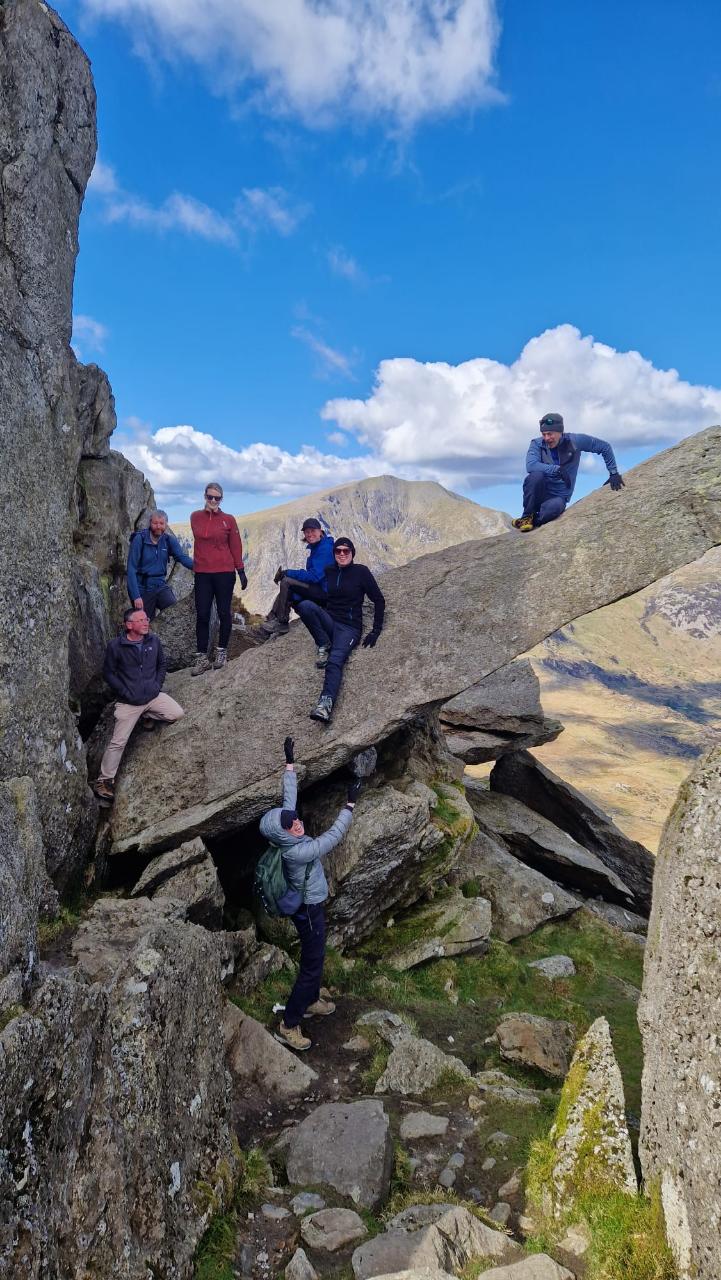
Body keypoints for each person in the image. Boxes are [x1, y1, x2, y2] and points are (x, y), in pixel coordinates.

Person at [259, 736, 360, 1051]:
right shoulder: (295, 853)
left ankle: (313, 999)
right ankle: (289, 1023)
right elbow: (331, 838)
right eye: (291, 825)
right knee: (312, 964)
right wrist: (350, 804)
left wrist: (289, 762)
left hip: (310, 906)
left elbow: (289, 798)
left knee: (315, 957)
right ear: (283, 834)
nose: (297, 824)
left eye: (295, 820)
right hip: (308, 909)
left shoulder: (285, 832)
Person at [92, 607, 184, 804]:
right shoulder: (116, 646)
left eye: (146, 618)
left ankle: (147, 715)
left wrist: (156, 686)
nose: (146, 623)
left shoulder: (154, 641)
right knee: (119, 742)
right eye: (141, 620)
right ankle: (104, 781)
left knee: (177, 713)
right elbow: (109, 673)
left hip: (152, 696)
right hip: (129, 702)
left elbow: (162, 664)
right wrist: (124, 692)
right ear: (129, 625)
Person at [295, 536, 385, 724]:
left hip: (349, 629)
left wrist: (376, 630)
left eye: (346, 551)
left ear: (352, 553)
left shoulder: (361, 572)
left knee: (335, 661)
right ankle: (324, 643)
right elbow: (323, 597)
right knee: (305, 606)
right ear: (334, 553)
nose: (342, 554)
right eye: (338, 551)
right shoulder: (329, 571)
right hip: (331, 621)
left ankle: (325, 705)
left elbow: (379, 600)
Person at [512, 412, 625, 533]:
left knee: (554, 509)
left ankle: (534, 521)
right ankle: (527, 516)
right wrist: (556, 469)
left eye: (550, 434)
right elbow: (531, 466)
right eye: (544, 434)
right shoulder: (537, 444)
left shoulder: (575, 441)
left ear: (560, 432)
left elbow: (604, 447)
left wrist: (613, 473)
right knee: (535, 476)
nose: (547, 438)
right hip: (540, 492)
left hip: (558, 497)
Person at [190, 482, 248, 675]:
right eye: (210, 497)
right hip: (203, 573)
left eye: (217, 497)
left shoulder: (228, 520)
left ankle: (221, 653)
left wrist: (240, 571)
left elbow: (236, 546)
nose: (213, 500)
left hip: (224, 572)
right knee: (203, 615)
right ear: (204, 496)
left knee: (224, 613)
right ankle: (201, 658)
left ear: (221, 499)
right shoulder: (195, 517)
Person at [258, 517, 335, 638]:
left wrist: (288, 572)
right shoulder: (318, 548)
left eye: (313, 531)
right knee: (287, 589)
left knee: (287, 582)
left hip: (327, 594)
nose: (310, 534)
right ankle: (269, 624)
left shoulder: (325, 549)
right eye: (307, 532)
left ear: (320, 531)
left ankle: (281, 623)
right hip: (320, 589)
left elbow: (314, 576)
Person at [127, 509, 194, 621]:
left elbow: (181, 557)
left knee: (173, 613)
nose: (158, 526)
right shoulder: (140, 539)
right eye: (155, 523)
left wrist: (200, 567)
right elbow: (131, 569)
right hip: (143, 588)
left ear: (166, 524)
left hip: (160, 586)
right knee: (144, 623)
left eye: (161, 523)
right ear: (150, 523)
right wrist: (136, 596)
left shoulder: (168, 540)